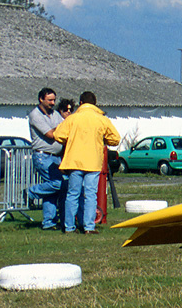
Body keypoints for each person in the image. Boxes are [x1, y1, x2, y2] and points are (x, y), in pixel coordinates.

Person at [50, 91, 121, 235]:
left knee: (72, 194)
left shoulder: (72, 118)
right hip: (93, 162)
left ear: (81, 103)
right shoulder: (101, 119)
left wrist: (70, 139)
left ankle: (69, 227)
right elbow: (116, 138)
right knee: (90, 194)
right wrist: (103, 140)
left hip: (74, 161)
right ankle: (89, 226)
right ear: (95, 104)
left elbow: (58, 135)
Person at [27, 87, 65, 230]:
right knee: (58, 184)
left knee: (52, 190)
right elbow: (51, 134)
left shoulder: (55, 114)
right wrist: (62, 128)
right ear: (41, 99)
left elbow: (64, 127)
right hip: (43, 156)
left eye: (54, 100)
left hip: (56, 157)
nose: (52, 103)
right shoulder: (35, 115)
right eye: (49, 100)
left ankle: (49, 222)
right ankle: (30, 192)